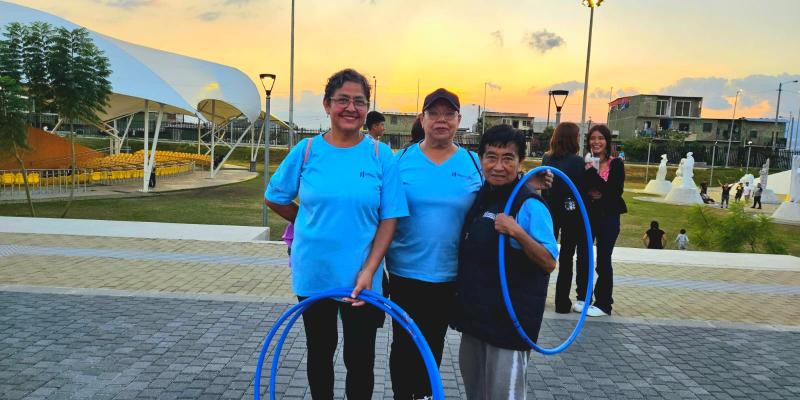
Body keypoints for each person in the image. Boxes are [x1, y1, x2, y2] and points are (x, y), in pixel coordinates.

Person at [385, 88, 552, 399]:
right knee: (404, 344)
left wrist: (527, 181)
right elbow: (381, 212)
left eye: (448, 114)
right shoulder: (401, 160)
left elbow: (499, 178)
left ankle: (425, 395)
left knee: (431, 343)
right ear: (422, 119)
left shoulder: (473, 162)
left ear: (458, 120)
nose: (441, 120)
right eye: (433, 113)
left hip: (450, 274)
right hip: (405, 272)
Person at [264, 68, 408, 400]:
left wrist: (370, 270)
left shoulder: (378, 154)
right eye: (342, 100)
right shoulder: (307, 150)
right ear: (328, 105)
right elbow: (274, 196)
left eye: (359, 101)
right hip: (315, 272)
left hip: (362, 277)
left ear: (366, 108)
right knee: (320, 353)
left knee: (359, 359)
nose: (350, 108)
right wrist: (306, 220)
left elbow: (390, 218)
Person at [452, 125, 558, 400]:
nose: (498, 166)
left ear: (520, 161)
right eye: (491, 157)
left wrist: (518, 232)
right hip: (476, 323)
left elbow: (548, 262)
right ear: (481, 159)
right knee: (475, 394)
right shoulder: (483, 196)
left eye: (508, 158)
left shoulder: (530, 206)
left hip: (509, 328)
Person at [542, 122, 588, 314]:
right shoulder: (578, 162)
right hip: (571, 213)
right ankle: (562, 302)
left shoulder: (546, 158)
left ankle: (540, 295)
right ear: (572, 138)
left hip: (549, 211)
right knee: (567, 257)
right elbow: (582, 190)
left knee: (544, 254)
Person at [582, 124, 627, 317]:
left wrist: (593, 175)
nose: (596, 142)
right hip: (589, 216)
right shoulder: (585, 163)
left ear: (607, 142)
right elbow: (583, 190)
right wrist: (595, 186)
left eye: (600, 138)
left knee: (602, 261)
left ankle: (603, 303)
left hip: (608, 217)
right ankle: (583, 299)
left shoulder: (616, 164)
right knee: (584, 258)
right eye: (593, 138)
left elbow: (613, 193)